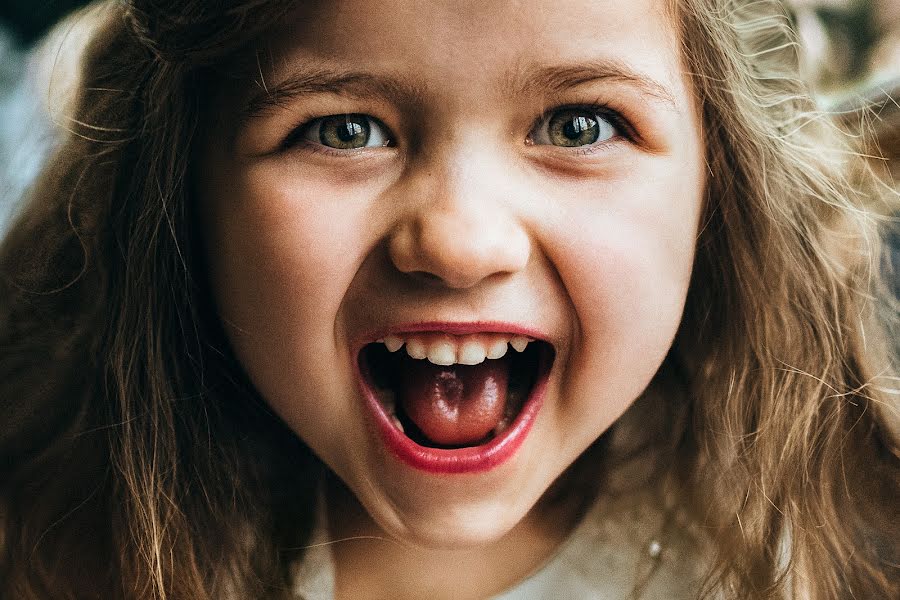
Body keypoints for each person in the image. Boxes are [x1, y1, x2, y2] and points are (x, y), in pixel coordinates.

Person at [1, 0, 897, 598]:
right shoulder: (55, 539)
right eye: (344, 129)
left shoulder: (828, 547)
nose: (460, 244)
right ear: (180, 191)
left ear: (721, 185)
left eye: (579, 125)